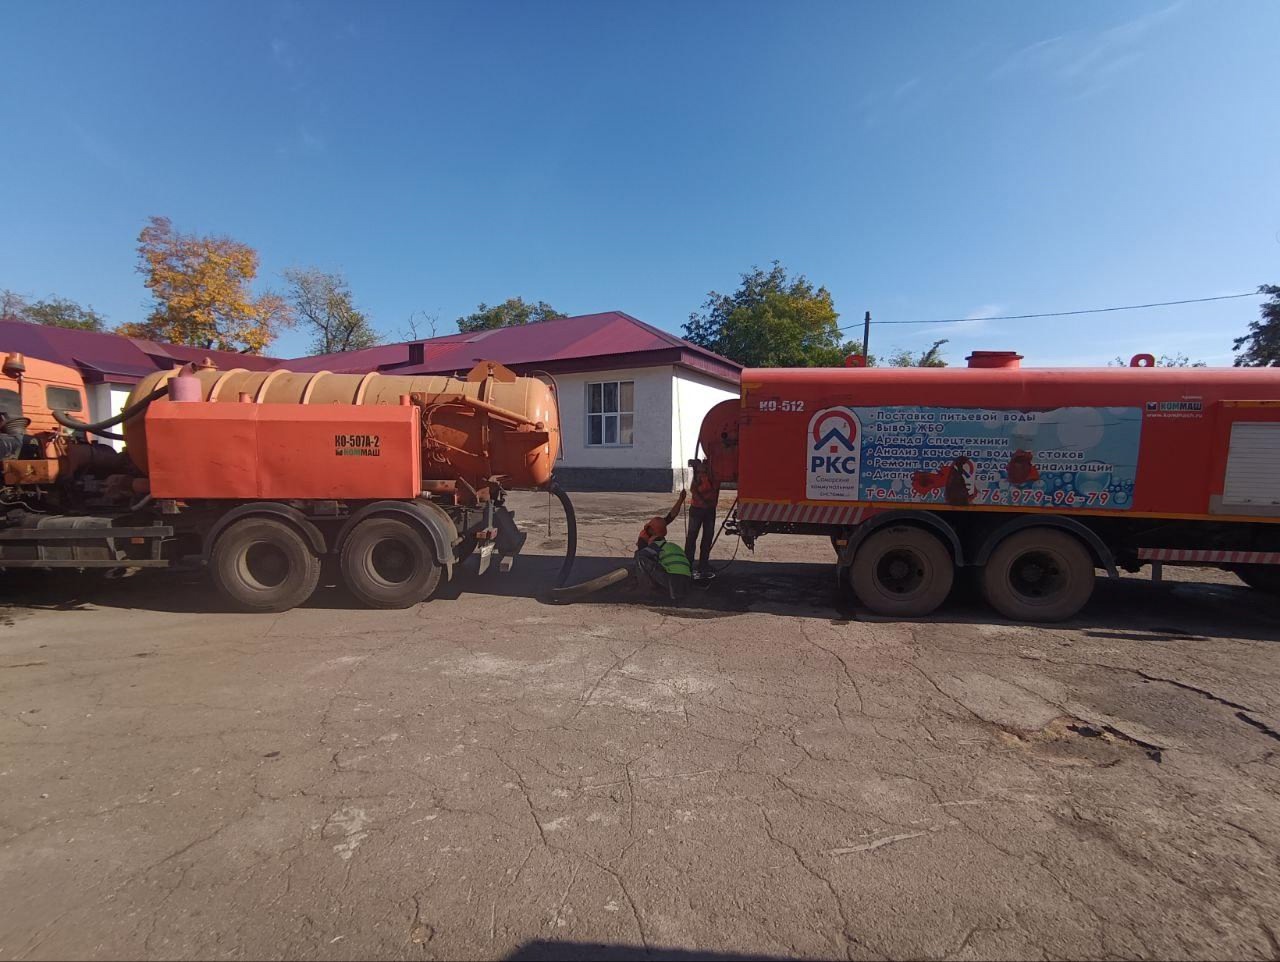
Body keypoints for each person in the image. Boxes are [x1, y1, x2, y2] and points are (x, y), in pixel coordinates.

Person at [634, 490, 692, 600]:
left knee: (642, 558)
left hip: (671, 579)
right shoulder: (645, 538)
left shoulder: (656, 535)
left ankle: (647, 590)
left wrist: (681, 500)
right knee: (645, 558)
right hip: (686, 580)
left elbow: (672, 515)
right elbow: (644, 558)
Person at [684, 458, 720, 581]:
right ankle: (689, 563)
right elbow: (694, 489)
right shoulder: (700, 475)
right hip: (699, 508)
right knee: (693, 536)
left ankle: (702, 563)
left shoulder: (710, 474)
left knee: (706, 536)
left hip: (706, 509)